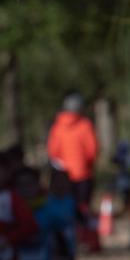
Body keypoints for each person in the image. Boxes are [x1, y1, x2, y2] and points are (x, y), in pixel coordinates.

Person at [45, 91, 99, 228]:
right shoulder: (85, 125)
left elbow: (52, 152)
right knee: (82, 207)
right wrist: (87, 165)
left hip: (63, 176)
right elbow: (92, 150)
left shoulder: (57, 127)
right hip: (83, 174)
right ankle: (83, 234)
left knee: (67, 206)